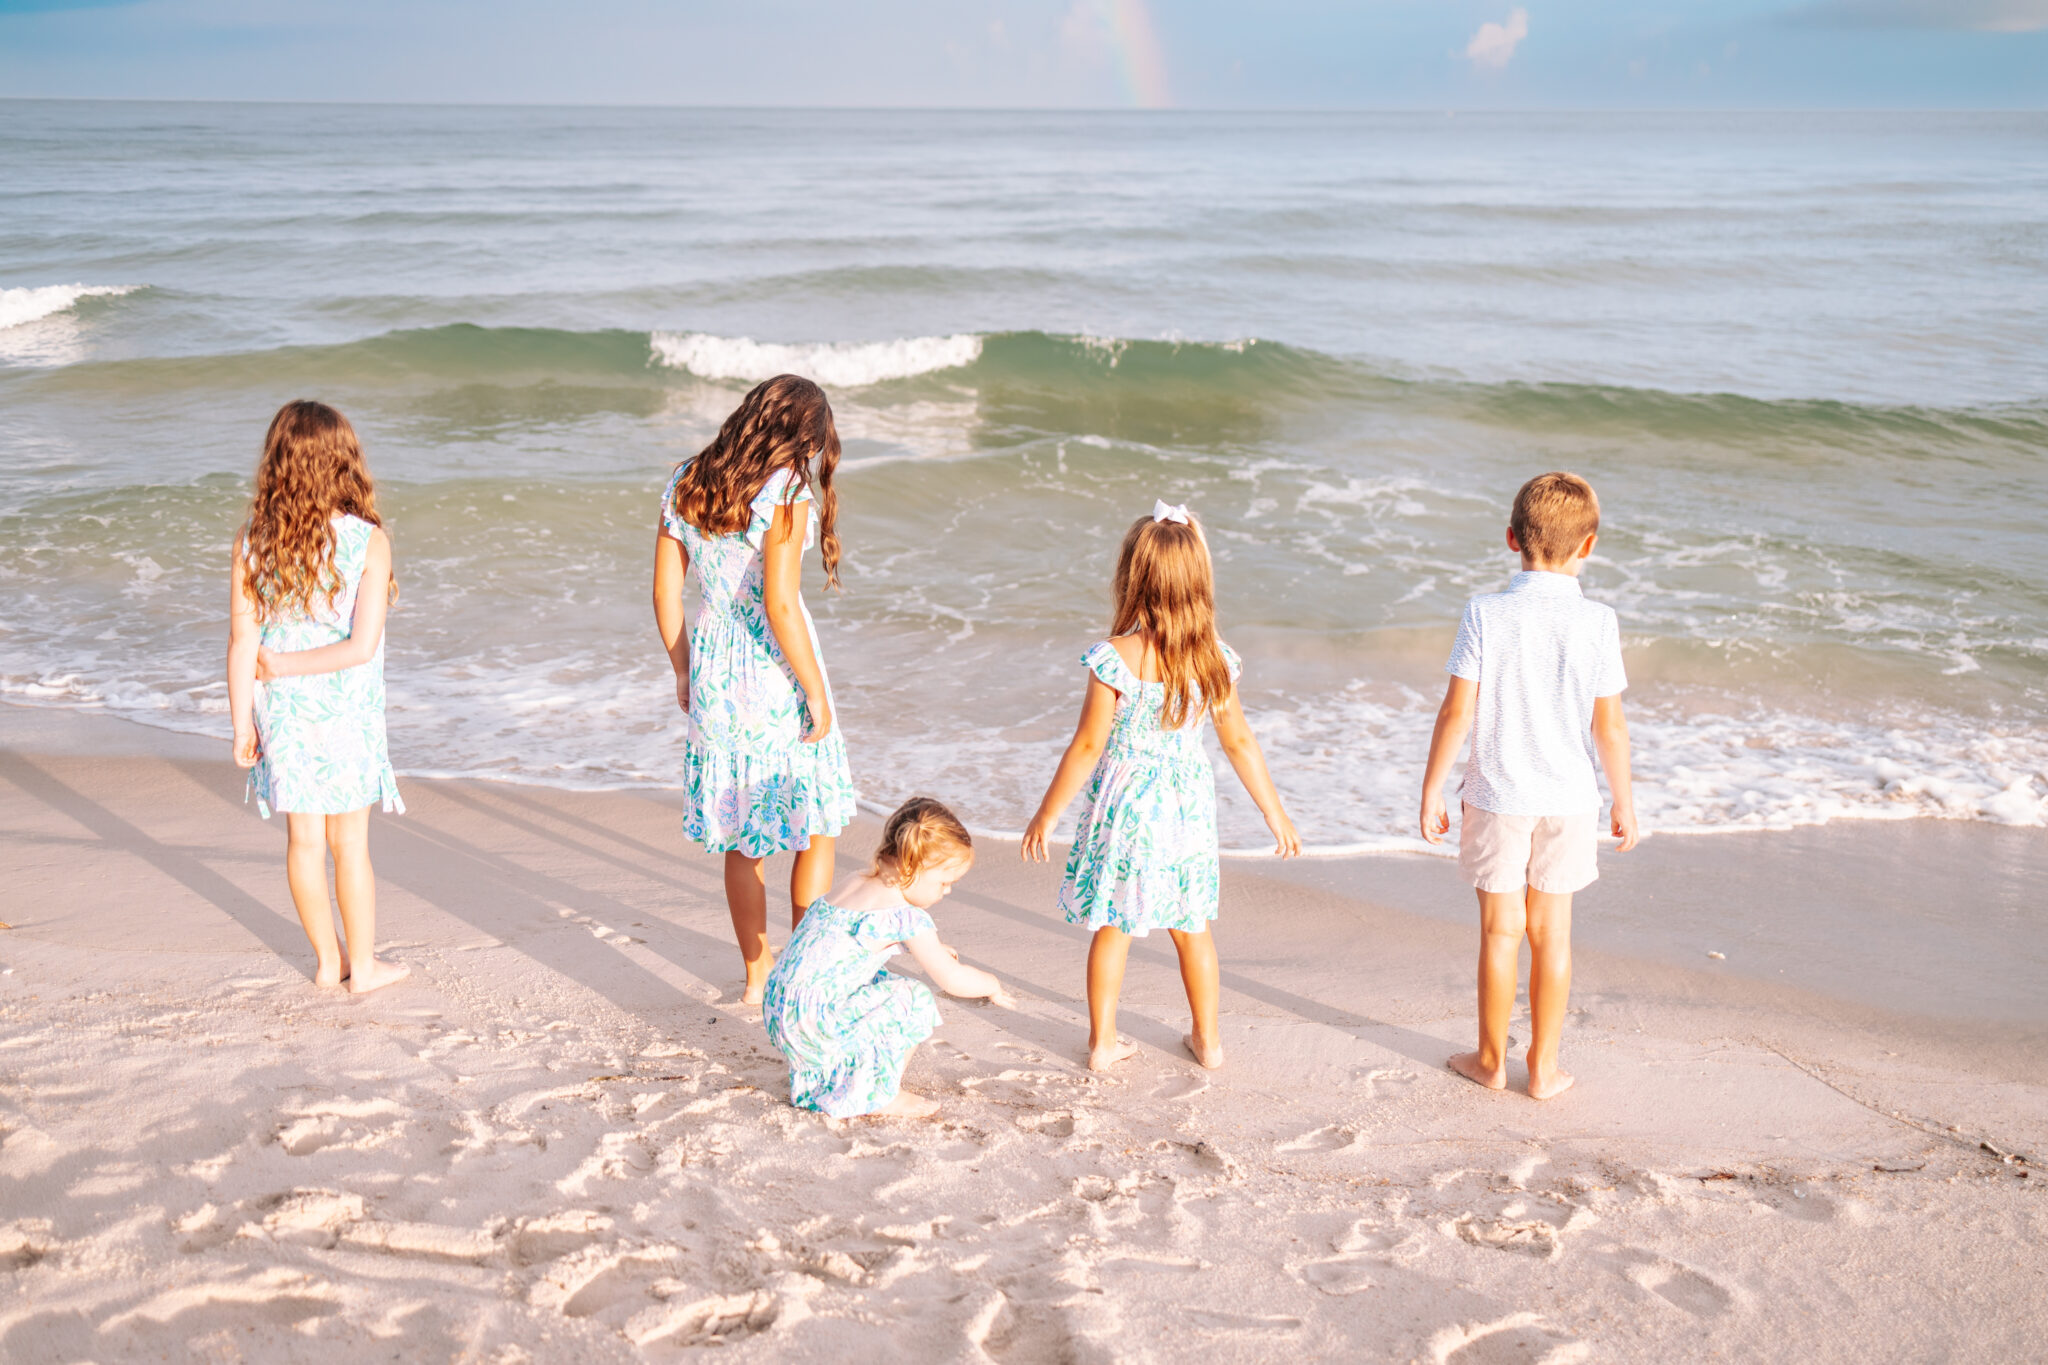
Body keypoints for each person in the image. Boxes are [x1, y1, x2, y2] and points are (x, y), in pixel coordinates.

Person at [1023, 501, 1300, 1073]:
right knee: (1192, 927)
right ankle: (1209, 1042)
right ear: (1198, 582)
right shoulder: (1215, 660)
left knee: (1114, 924)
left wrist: (1047, 815)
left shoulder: (1114, 658)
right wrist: (1275, 813)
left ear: (1131, 577)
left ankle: (1102, 1044)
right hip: (1185, 808)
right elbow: (1239, 741)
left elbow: (1087, 746)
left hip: (1127, 803)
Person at [1419, 471, 1638, 1100]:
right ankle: (1543, 1068)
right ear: (1588, 546)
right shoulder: (1599, 621)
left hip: (1497, 795)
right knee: (1553, 935)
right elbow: (1609, 726)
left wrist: (1432, 789)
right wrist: (1623, 800)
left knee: (1500, 932)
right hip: (1570, 800)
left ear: (1512, 538)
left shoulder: (1484, 613)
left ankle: (1491, 1061)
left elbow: (1456, 712)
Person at [652, 375, 859, 1005]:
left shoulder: (687, 479)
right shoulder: (787, 490)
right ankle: (805, 968)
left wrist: (684, 668)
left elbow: (665, 594)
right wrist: (814, 690)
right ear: (804, 438)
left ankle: (756, 973)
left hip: (716, 667)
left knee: (745, 838)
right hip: (774, 672)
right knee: (814, 826)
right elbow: (780, 604)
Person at [227, 399, 409, 994]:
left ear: (277, 462)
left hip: (282, 711)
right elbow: (360, 647)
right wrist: (284, 665)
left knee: (303, 843)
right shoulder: (368, 541)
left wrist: (241, 724)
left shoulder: (254, 542)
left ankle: (329, 963)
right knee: (349, 844)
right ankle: (365, 968)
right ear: (344, 462)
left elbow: (242, 640)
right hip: (346, 711)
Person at [763, 797, 1013, 1119]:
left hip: (781, 1009)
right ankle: (882, 1093)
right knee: (914, 998)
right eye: (944, 882)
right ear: (911, 867)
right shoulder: (906, 916)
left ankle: (830, 1080)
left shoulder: (854, 881)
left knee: (878, 979)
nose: (947, 891)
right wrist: (991, 984)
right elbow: (953, 979)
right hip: (816, 1024)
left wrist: (935, 948)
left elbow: (851, 942)